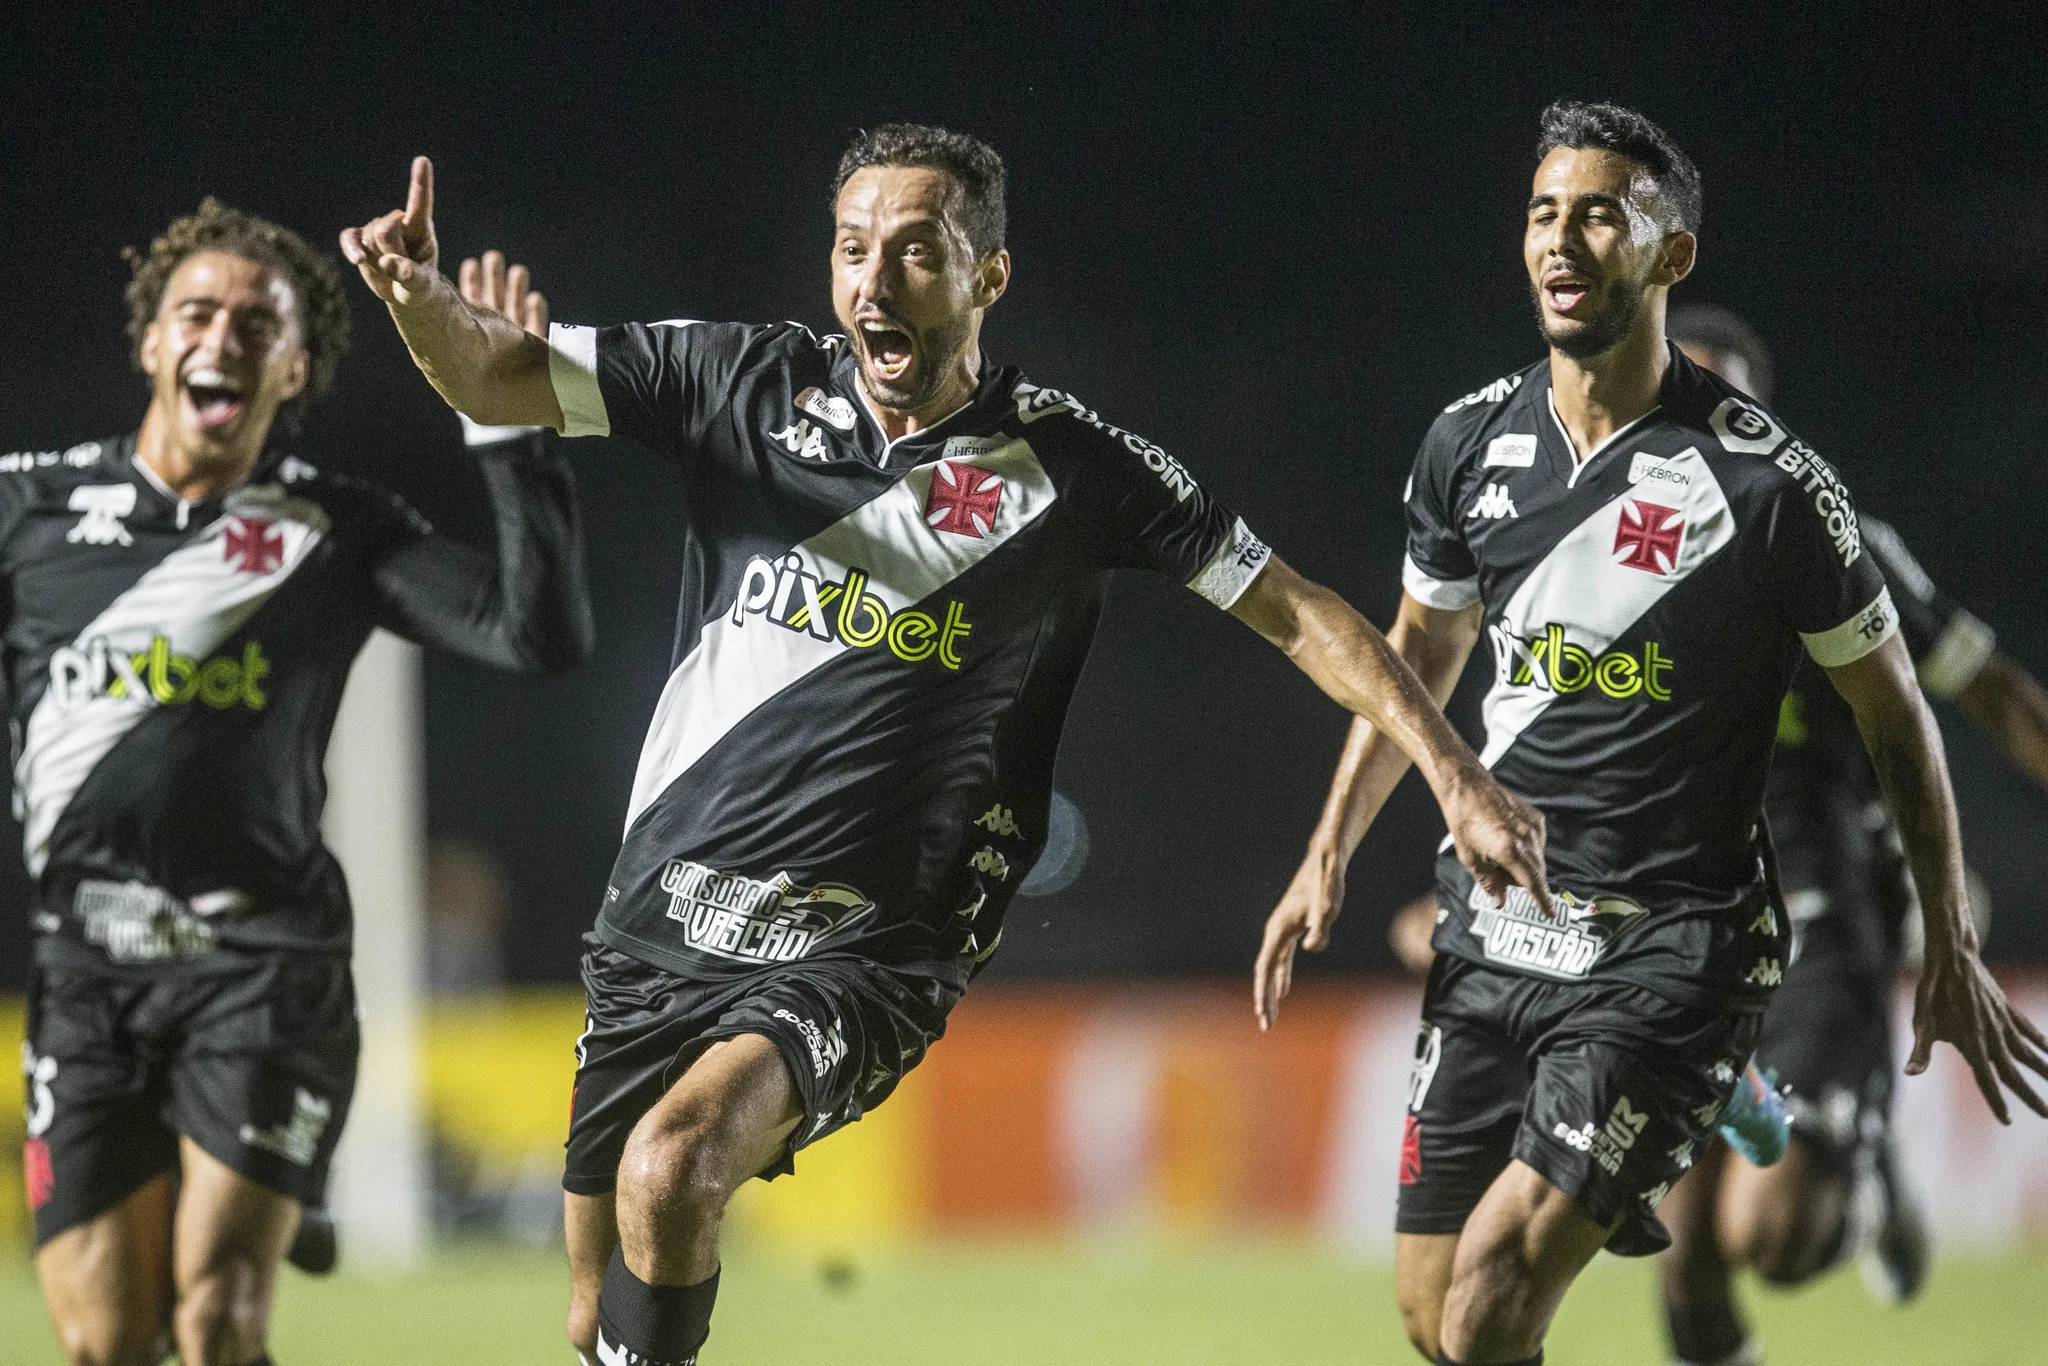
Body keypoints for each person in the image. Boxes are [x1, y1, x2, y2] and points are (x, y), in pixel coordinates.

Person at [339, 124, 1551, 1366]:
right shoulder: (734, 381)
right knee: (604, 1318)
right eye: (853, 249)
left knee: (672, 1163)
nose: (875, 282)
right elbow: (493, 376)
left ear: (988, 278)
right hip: (660, 920)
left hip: (866, 943)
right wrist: (417, 301)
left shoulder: (1069, 467)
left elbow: (1295, 608)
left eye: (916, 253)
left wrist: (1453, 773)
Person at [1254, 101, 2048, 1366]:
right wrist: (1329, 848)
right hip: (1501, 930)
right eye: (1540, 213)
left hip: (1672, 950)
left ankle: (1745, 1105)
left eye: (1598, 216)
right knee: (1431, 1315)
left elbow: (1901, 718)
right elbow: (1419, 661)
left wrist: (1944, 934)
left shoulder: (1772, 489)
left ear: (1669, 254)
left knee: (1509, 1299)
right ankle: (1720, 1116)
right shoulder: (1467, 446)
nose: (1560, 242)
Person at [14, 200, 593, 1366]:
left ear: (297, 365)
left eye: (256, 323)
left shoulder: (328, 529)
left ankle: (276, 1186)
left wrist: (505, 425)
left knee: (218, 1318)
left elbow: (534, 634)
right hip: (85, 977)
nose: (221, 337)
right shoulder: (29, 513)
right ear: (151, 342)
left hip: (262, 970)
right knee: (105, 1342)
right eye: (197, 312)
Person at [1649, 304, 2048, 1366]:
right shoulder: (1590, 555)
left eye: (1720, 401)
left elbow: (1985, 691)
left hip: (1818, 913)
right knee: (1676, 1245)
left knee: (1767, 1239)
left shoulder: (1829, 545)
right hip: (1670, 921)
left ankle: (1860, 1174)